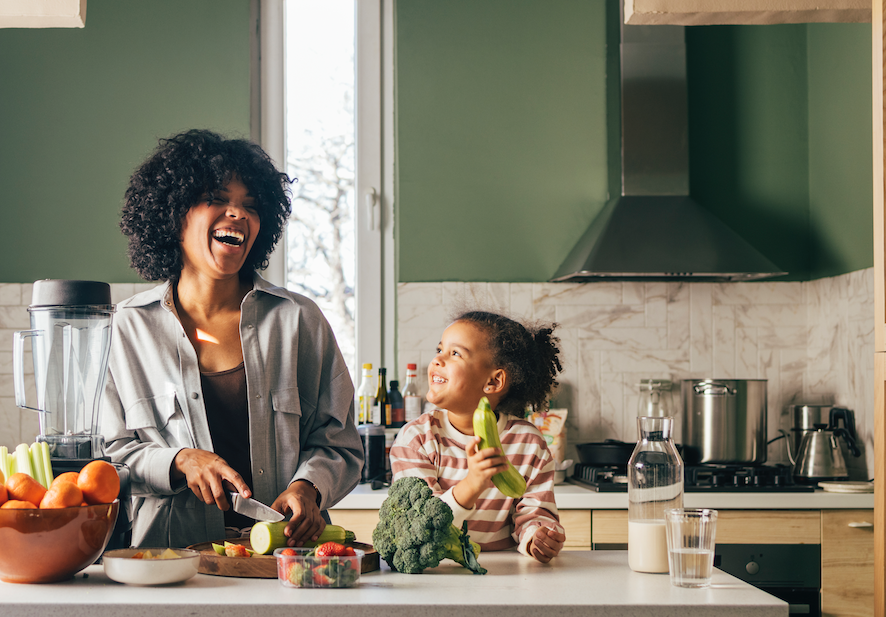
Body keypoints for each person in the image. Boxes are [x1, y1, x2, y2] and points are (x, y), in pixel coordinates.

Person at [100, 129, 363, 548]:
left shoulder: (299, 321)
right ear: (174, 215)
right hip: (171, 567)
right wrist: (179, 461)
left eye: (250, 206)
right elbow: (107, 457)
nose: (238, 214)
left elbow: (340, 443)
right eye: (218, 199)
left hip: (286, 563)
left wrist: (308, 488)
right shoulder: (125, 329)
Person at [389, 310, 567, 563]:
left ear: (493, 382)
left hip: (503, 574)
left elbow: (534, 512)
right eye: (439, 350)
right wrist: (473, 483)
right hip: (437, 571)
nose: (438, 360)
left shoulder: (528, 443)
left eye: (455, 354)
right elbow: (419, 527)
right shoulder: (416, 439)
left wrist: (538, 536)